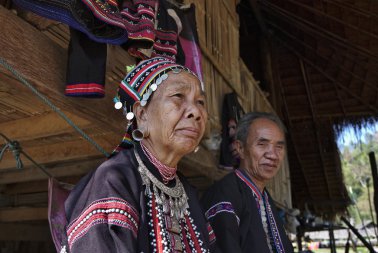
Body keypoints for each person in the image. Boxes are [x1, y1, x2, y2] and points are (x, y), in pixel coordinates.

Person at [61, 57, 216, 253]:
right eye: (178, 95)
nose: (196, 111)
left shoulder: (187, 192)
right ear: (142, 115)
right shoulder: (113, 180)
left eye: (200, 101)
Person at [201, 112, 294, 253]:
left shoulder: (265, 199)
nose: (273, 155)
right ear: (240, 149)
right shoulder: (223, 195)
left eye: (279, 147)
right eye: (262, 144)